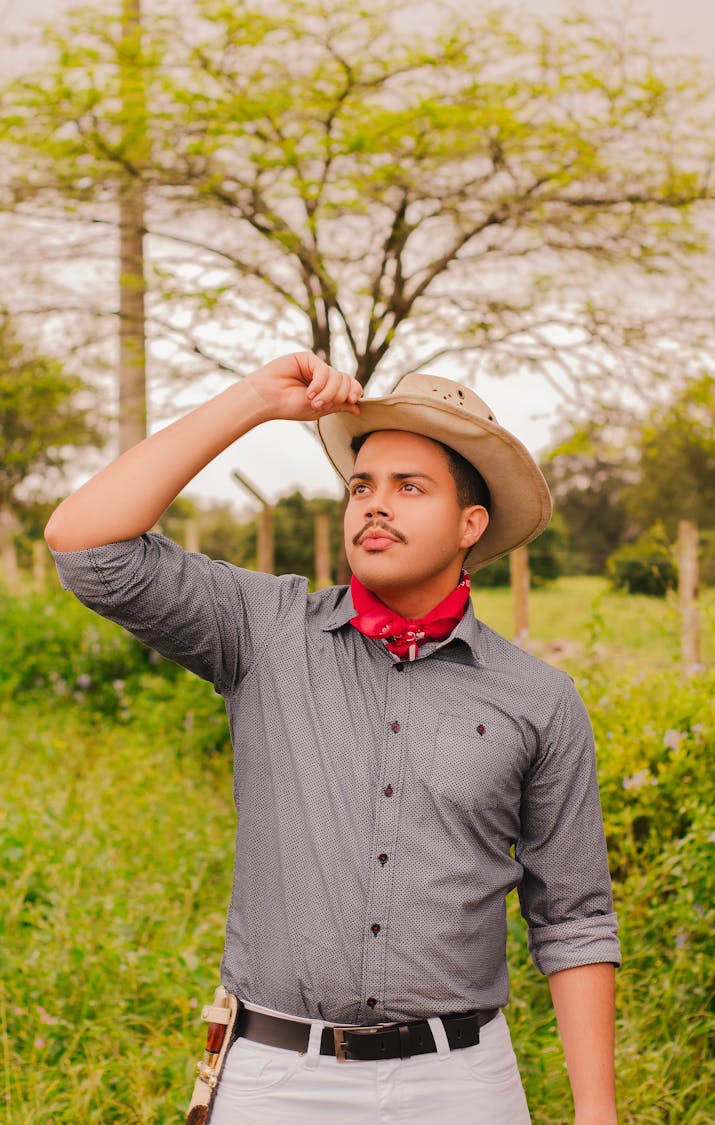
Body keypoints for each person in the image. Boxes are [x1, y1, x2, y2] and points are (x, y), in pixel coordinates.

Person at [45, 352, 620, 1125]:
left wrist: (596, 1111)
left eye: (409, 486)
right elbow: (86, 546)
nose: (375, 505)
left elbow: (574, 916)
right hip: (277, 1079)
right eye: (361, 485)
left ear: (469, 524)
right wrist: (253, 399)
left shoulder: (539, 700)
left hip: (462, 1085)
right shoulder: (264, 629)